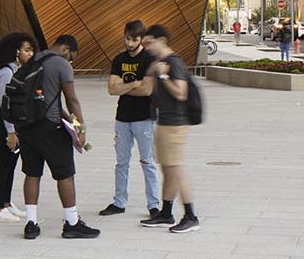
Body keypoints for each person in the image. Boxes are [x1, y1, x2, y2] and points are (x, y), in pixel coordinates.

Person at [11, 33, 99, 240]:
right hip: (50, 129)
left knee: (32, 173)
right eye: (72, 58)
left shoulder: (34, 59)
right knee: (65, 173)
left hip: (26, 126)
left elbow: (51, 101)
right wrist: (80, 128)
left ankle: (30, 224)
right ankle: (72, 222)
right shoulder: (61, 64)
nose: (71, 62)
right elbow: (72, 100)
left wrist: (68, 119)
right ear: (67, 49)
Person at [138, 25, 199, 233]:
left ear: (162, 40)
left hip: (176, 124)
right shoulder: (159, 63)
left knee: (176, 169)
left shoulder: (174, 63)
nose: (146, 47)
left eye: (149, 43)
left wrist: (164, 76)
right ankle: (166, 213)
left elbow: (181, 94)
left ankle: (191, 216)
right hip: (163, 121)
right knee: (168, 169)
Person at [100, 19, 160, 220]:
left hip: (145, 117)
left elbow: (148, 89)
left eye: (134, 39)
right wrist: (135, 82)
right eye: (127, 38)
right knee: (121, 162)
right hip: (123, 118)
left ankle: (153, 205)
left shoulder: (149, 59)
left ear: (141, 39)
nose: (130, 43)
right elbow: (111, 89)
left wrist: (123, 87)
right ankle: (119, 202)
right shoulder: (118, 59)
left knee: (147, 161)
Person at [0, 30, 34, 222]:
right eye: (27, 50)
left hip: (15, 125)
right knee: (4, 164)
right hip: (7, 125)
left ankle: (6, 202)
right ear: (16, 52)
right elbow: (5, 103)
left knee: (11, 164)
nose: (30, 54)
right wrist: (11, 132)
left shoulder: (16, 70)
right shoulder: (6, 72)